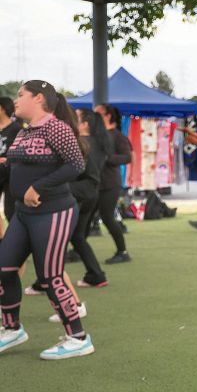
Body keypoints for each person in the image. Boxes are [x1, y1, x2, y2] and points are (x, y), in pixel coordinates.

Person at [0, 82, 94, 360]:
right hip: (24, 213)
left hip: (54, 212)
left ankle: (78, 338)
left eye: (21, 95)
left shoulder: (57, 128)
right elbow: (20, 162)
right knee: (4, 268)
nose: (16, 101)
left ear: (38, 98)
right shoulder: (26, 130)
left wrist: (38, 187)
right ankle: (12, 329)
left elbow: (76, 165)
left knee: (50, 276)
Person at [68, 108, 112, 288]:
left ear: (85, 124)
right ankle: (95, 274)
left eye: (76, 118)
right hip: (90, 194)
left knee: (69, 237)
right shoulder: (99, 143)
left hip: (80, 194)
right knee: (77, 237)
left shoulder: (83, 143)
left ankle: (44, 281)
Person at [94, 104, 132, 264]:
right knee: (85, 216)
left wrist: (107, 158)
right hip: (95, 182)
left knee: (107, 217)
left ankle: (122, 251)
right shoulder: (98, 135)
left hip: (110, 183)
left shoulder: (117, 136)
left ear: (108, 116)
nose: (93, 117)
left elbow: (127, 157)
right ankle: (77, 248)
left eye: (97, 114)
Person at [0, 96, 22, 234]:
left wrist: (6, 159)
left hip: (11, 175)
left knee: (10, 211)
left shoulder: (16, 129)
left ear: (2, 109)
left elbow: (18, 153)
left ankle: (18, 243)